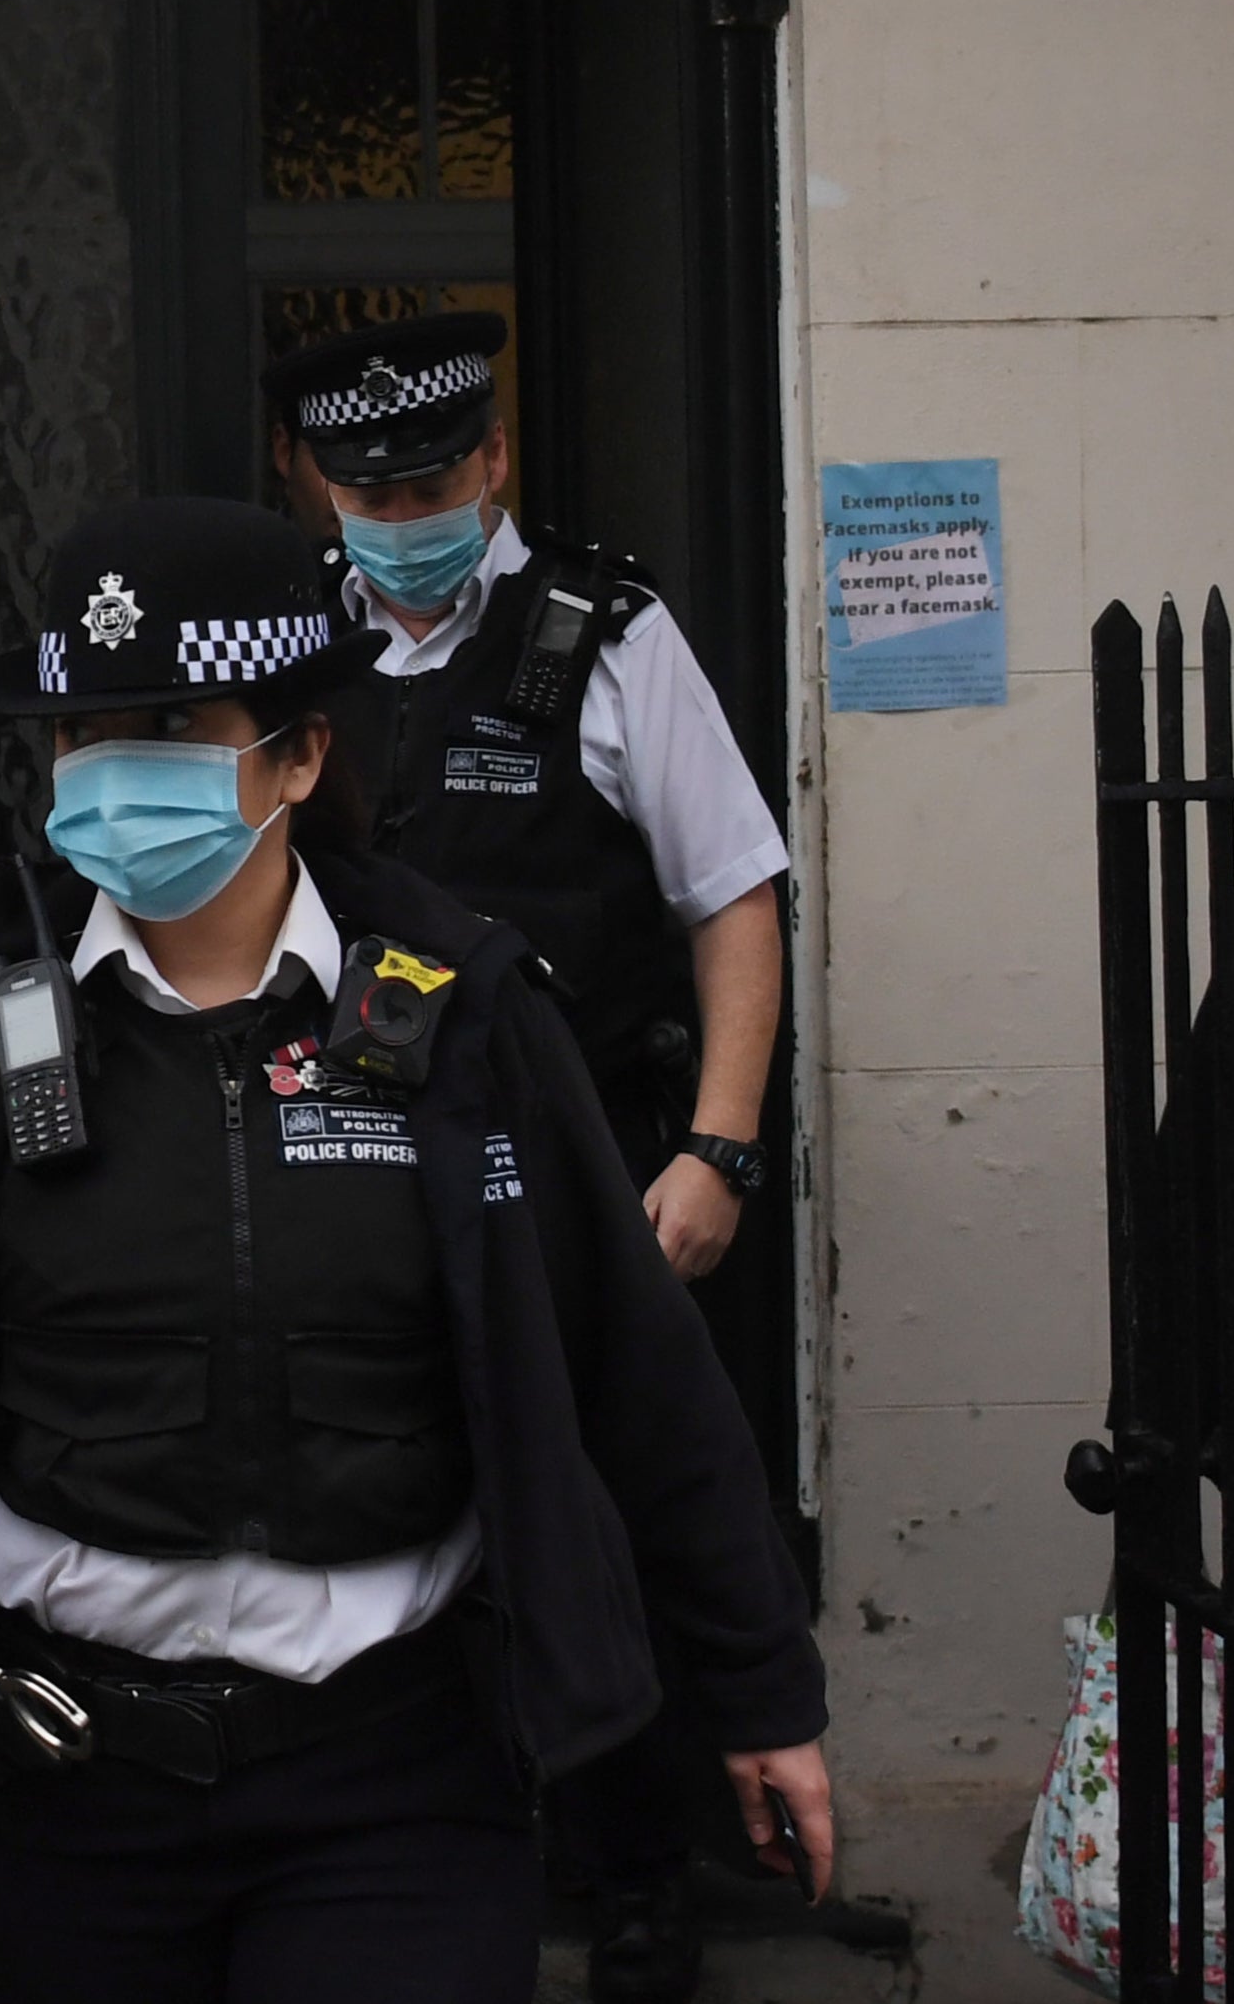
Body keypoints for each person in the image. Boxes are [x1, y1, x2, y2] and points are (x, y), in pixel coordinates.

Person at [0, 498, 829, 2002]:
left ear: (301, 754)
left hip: (398, 1778)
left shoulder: (462, 1012)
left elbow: (634, 1374)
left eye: (174, 726)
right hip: (68, 1783)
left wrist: (757, 1688)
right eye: (86, 733)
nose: (118, 770)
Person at [266, 311, 794, 2000]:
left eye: (424, 477)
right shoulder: (292, 656)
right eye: (360, 483)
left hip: (586, 1170)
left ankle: (640, 1878)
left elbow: (732, 897)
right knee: (393, 1491)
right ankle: (407, 1847)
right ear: (313, 486)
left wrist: (718, 1145)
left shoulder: (604, 636)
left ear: (490, 465)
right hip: (356, 1160)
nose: (395, 507)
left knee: (610, 1509)